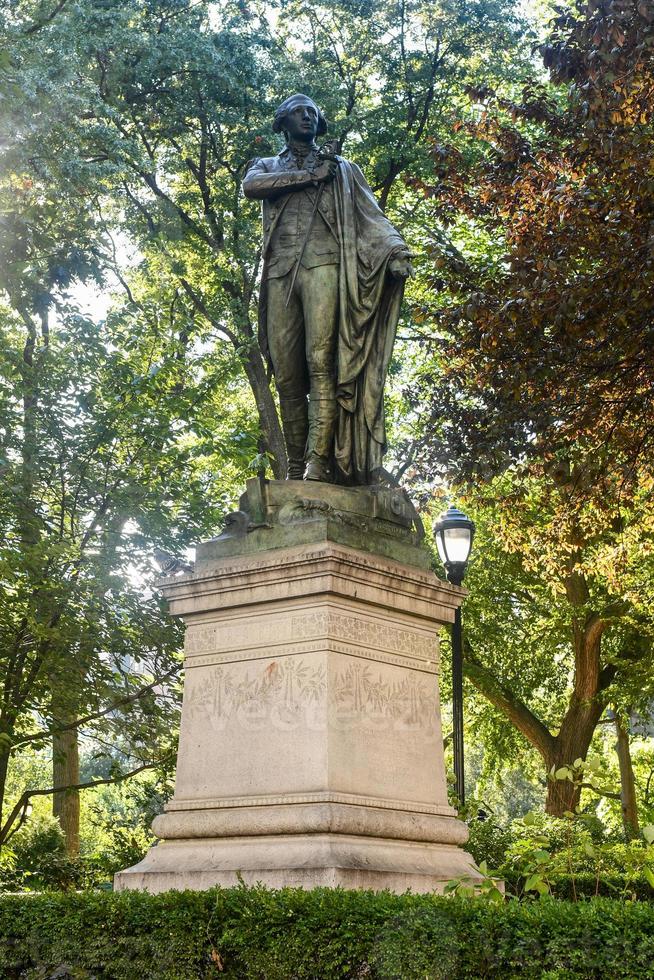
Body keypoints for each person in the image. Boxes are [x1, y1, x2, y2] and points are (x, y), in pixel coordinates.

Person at [243, 93, 412, 484]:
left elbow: (372, 216)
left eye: (313, 113)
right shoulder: (266, 166)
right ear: (283, 122)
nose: (308, 116)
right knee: (286, 375)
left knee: (321, 364)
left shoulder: (342, 170)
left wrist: (396, 252)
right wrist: (308, 177)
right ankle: (295, 467)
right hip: (280, 271)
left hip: (325, 266)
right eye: (300, 111)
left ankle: (317, 464)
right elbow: (252, 187)